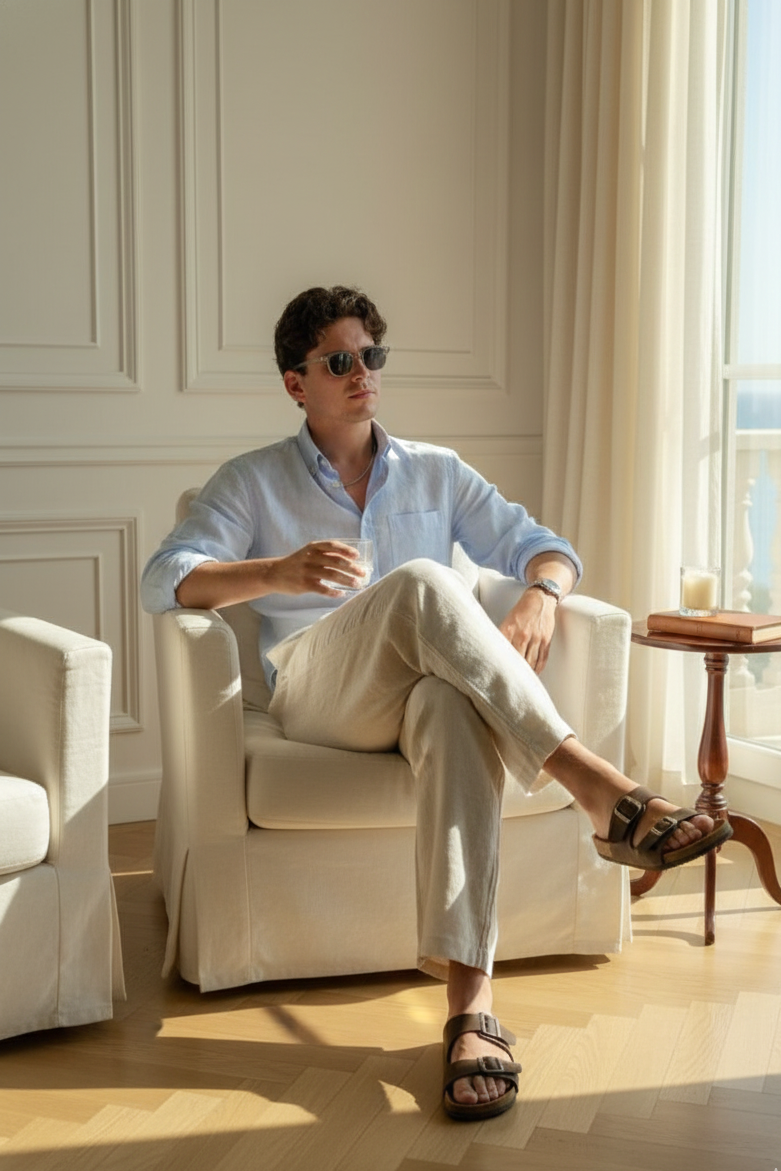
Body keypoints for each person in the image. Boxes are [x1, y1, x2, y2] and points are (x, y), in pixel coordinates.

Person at [141, 285, 731, 1122]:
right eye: (338, 360)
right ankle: (595, 785)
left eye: (370, 355)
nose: (361, 372)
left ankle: (469, 1010)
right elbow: (162, 577)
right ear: (295, 382)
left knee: (452, 711)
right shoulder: (252, 479)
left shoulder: (435, 470)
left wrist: (542, 595)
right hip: (317, 691)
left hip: (415, 693)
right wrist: (275, 571)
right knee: (423, 581)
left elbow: (546, 547)